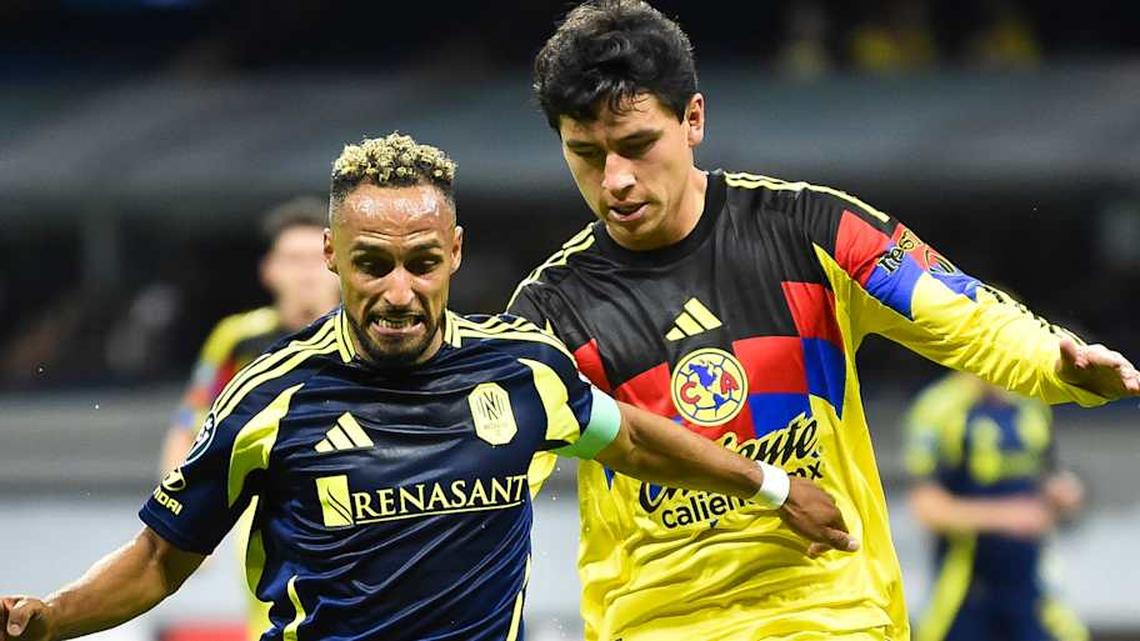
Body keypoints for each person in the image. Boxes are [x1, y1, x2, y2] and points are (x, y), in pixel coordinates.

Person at [0, 133, 856, 641]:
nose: (399, 291)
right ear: (334, 257)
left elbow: (627, 435)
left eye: (420, 263)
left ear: (453, 252)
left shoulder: (523, 369)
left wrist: (773, 484)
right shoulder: (269, 396)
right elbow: (159, 557)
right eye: (371, 265)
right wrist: (50, 616)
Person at [507, 2, 1140, 640]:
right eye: (585, 153)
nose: (615, 179)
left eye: (637, 145)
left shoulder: (810, 228)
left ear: (693, 118)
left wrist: (1054, 363)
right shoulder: (549, 311)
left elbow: (955, 308)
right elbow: (493, 468)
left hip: (828, 612)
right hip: (657, 624)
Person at [156, 197, 340, 641]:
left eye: (316, 258)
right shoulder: (239, 340)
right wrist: (182, 526)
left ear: (338, 263)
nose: (306, 273)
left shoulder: (374, 336)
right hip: (268, 514)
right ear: (269, 270)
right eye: (293, 259)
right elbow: (189, 426)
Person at [905, 372, 1089, 641]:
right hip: (966, 588)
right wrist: (1005, 517)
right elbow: (925, 507)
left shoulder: (1030, 405)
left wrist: (1064, 493)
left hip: (1030, 583)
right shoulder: (939, 407)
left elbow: (1047, 476)